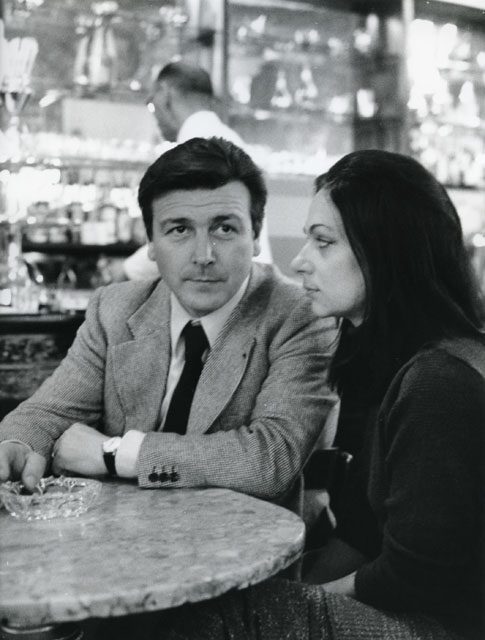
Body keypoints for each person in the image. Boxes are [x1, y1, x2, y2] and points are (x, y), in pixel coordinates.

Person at [156, 149, 485, 640]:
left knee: (208, 615)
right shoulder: (393, 361)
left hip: (442, 626)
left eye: (323, 242)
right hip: (413, 607)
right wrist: (294, 592)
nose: (299, 261)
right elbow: (360, 530)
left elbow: (416, 576)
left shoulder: (438, 381)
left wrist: (294, 604)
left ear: (386, 251)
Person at [0, 137, 337, 518]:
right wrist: (15, 444)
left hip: (245, 541)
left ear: (255, 237)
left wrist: (114, 454)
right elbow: (47, 412)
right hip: (117, 534)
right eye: (179, 230)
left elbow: (271, 459)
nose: (203, 256)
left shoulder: (301, 315)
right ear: (150, 243)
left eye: (224, 229)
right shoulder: (115, 308)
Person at [120, 60, 272, 282]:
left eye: (152, 105)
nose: (155, 116)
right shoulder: (228, 139)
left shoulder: (198, 148)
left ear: (165, 95)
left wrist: (126, 270)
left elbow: (181, 230)